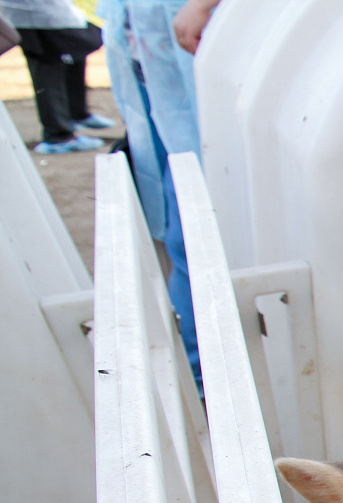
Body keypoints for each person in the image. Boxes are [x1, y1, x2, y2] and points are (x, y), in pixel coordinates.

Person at [96, 0, 219, 392]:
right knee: (177, 228)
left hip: (191, 45)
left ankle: (207, 381)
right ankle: (202, 378)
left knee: (195, 231)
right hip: (149, 58)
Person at [0, 0, 116, 154]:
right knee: (49, 65)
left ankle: (76, 114)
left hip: (41, 13)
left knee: (74, 51)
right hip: (34, 14)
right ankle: (58, 136)